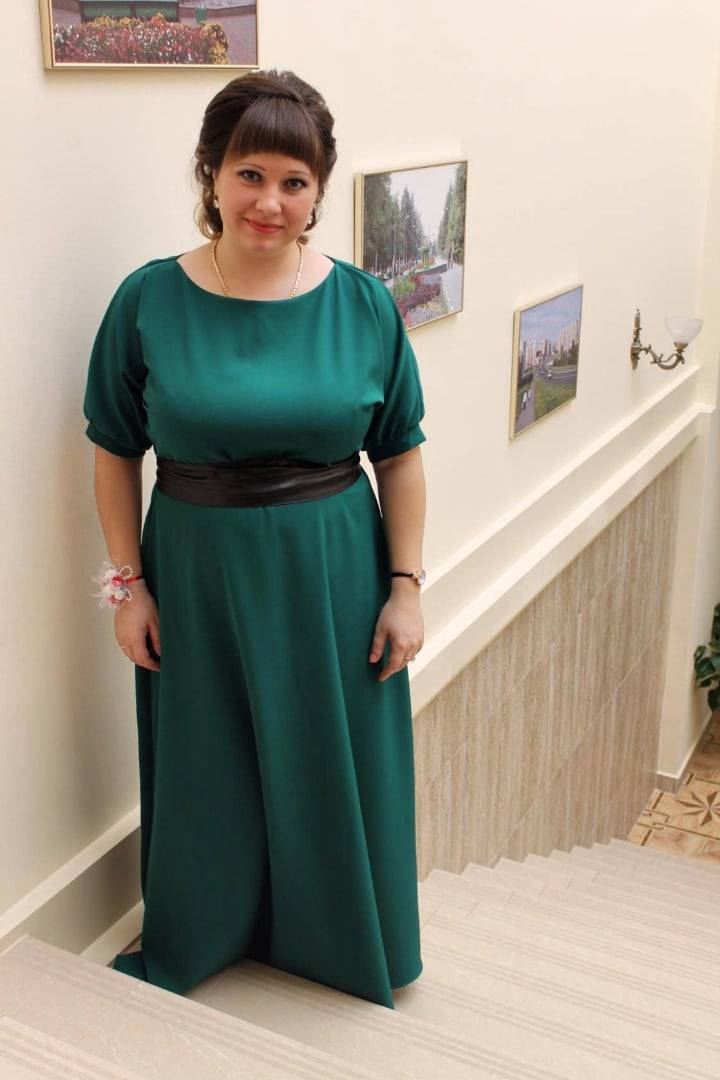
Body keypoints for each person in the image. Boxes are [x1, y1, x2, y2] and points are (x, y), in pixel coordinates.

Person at [83, 68, 428, 1011]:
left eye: (293, 181)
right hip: (196, 569)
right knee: (208, 760)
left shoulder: (364, 303)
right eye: (249, 174)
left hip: (335, 571)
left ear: (318, 191)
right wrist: (127, 587)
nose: (269, 202)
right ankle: (208, 928)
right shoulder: (148, 300)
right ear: (212, 173)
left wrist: (405, 587)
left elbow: (400, 453)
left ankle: (337, 940)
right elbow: (114, 450)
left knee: (330, 758)